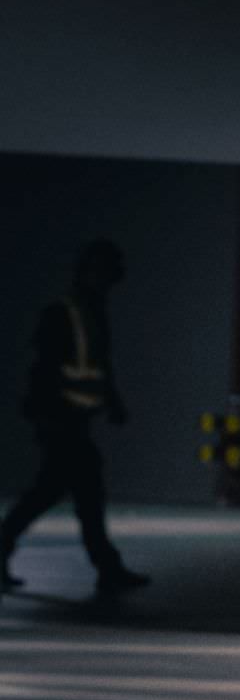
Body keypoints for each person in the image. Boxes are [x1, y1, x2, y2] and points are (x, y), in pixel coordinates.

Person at [1, 239, 148, 596]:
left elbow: (98, 364)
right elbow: (46, 368)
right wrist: (50, 416)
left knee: (55, 492)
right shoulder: (65, 313)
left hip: (73, 418)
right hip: (60, 419)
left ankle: (107, 567)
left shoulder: (91, 311)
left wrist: (111, 402)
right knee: (80, 492)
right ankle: (107, 567)